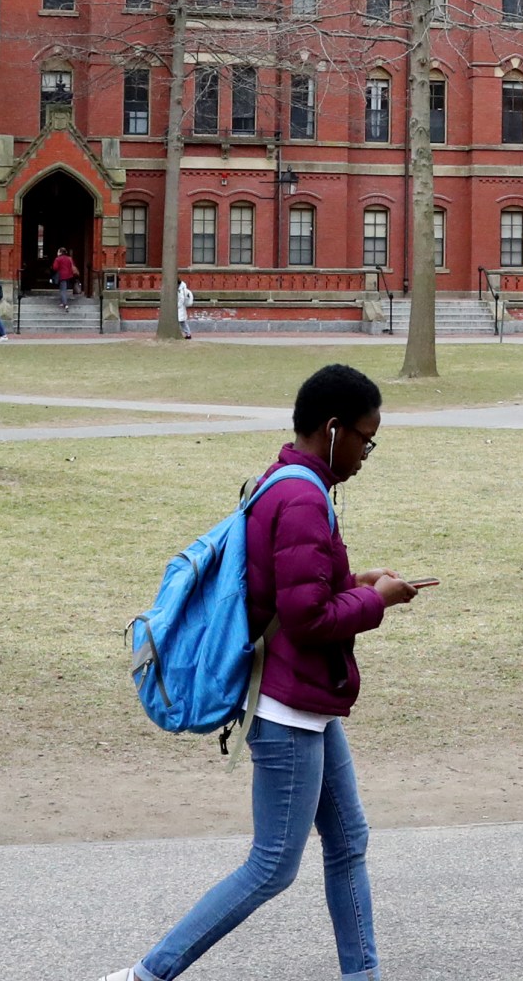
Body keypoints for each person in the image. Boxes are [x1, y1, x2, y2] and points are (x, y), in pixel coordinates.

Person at [113, 364, 425, 981]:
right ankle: (146, 975)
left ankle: (362, 974)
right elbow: (306, 619)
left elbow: (291, 589)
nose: (368, 452)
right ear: (333, 429)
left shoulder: (287, 480)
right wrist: (379, 601)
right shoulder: (304, 496)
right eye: (366, 437)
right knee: (274, 863)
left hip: (306, 699)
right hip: (286, 706)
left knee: (348, 842)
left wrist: (353, 581)